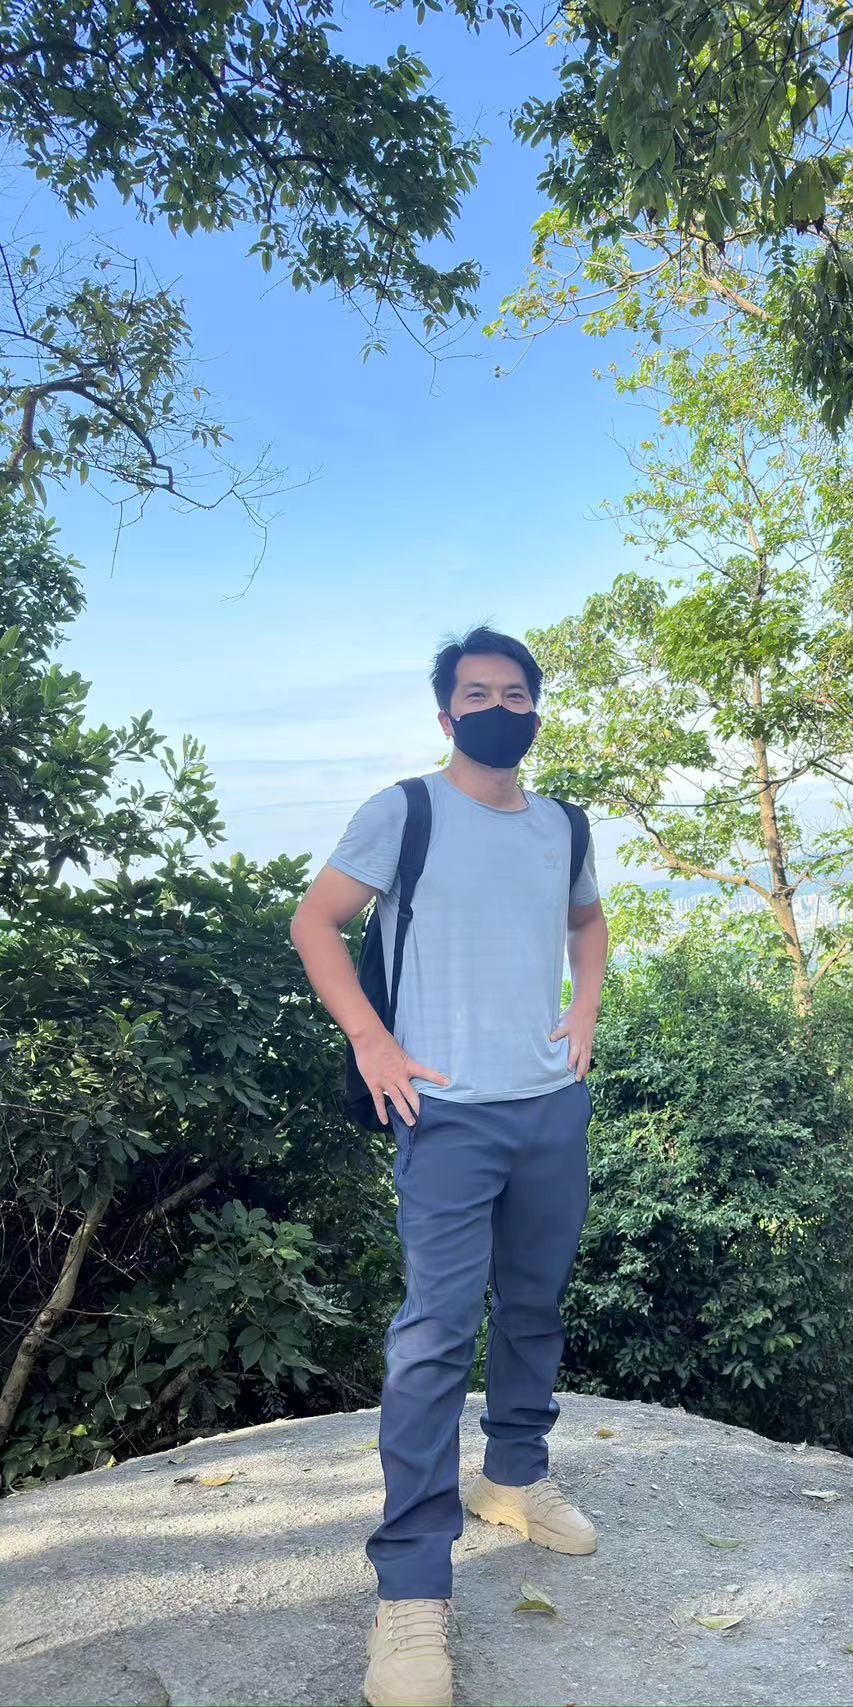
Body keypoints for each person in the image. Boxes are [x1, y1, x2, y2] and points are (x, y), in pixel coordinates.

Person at [289, 625, 608, 1707]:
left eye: (515, 693)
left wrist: (584, 1012)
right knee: (433, 1333)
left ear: (535, 709)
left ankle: (512, 1476)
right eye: (477, 694)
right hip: (445, 1113)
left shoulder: (563, 825)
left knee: (534, 1304)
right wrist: (370, 1042)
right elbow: (317, 922)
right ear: (445, 714)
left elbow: (588, 923)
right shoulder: (406, 811)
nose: (498, 708)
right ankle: (412, 1588)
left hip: (548, 1105)